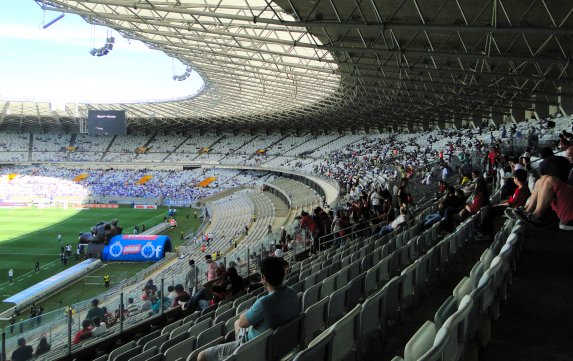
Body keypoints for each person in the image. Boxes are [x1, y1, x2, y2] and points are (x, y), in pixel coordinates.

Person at [197, 257, 298, 361]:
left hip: (253, 350)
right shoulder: (292, 293)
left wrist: (245, 314)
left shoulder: (264, 303)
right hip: (279, 345)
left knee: (202, 356)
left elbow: (242, 323)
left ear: (263, 278)